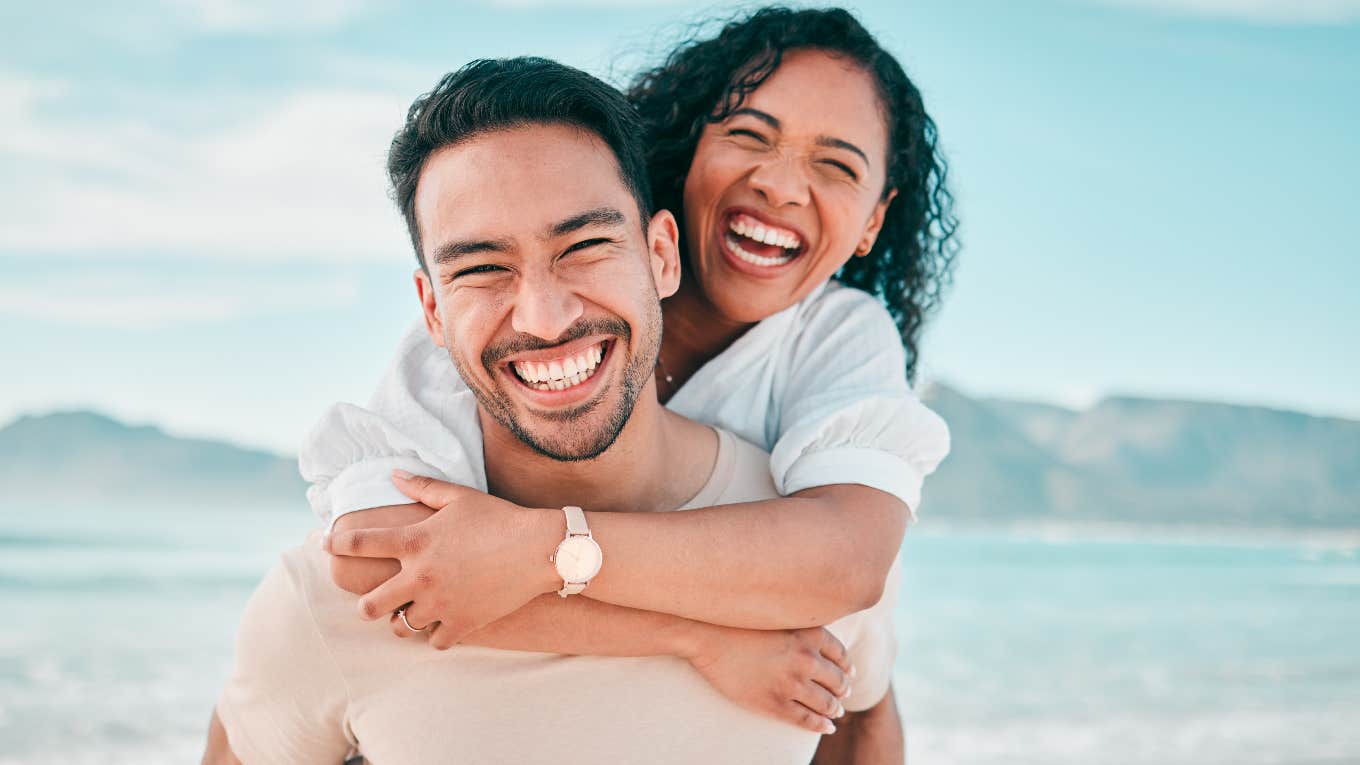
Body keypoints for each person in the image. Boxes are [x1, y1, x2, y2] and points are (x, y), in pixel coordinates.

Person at [303, 7, 958, 759]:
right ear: (686, 150)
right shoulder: (511, 315)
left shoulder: (834, 336)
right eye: (749, 135)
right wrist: (699, 639)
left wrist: (539, 550)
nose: (781, 186)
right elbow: (375, 562)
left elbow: (847, 562)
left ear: (873, 222)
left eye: (835, 164)